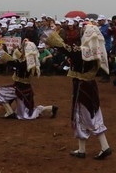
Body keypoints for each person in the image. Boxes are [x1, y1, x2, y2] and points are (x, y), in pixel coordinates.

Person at [47, 23, 112, 159]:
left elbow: (68, 50)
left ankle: (103, 147)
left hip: (82, 87)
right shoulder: (97, 51)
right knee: (93, 115)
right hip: (91, 85)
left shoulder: (83, 52)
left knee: (84, 116)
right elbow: (70, 50)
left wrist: (56, 41)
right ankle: (84, 149)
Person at [0, 39, 58, 120]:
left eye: (24, 48)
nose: (22, 49)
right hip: (24, 88)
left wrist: (2, 51)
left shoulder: (25, 63)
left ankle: (10, 112)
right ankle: (52, 108)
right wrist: (15, 49)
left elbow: (15, 62)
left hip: (20, 89)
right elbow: (19, 58)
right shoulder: (31, 61)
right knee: (29, 110)